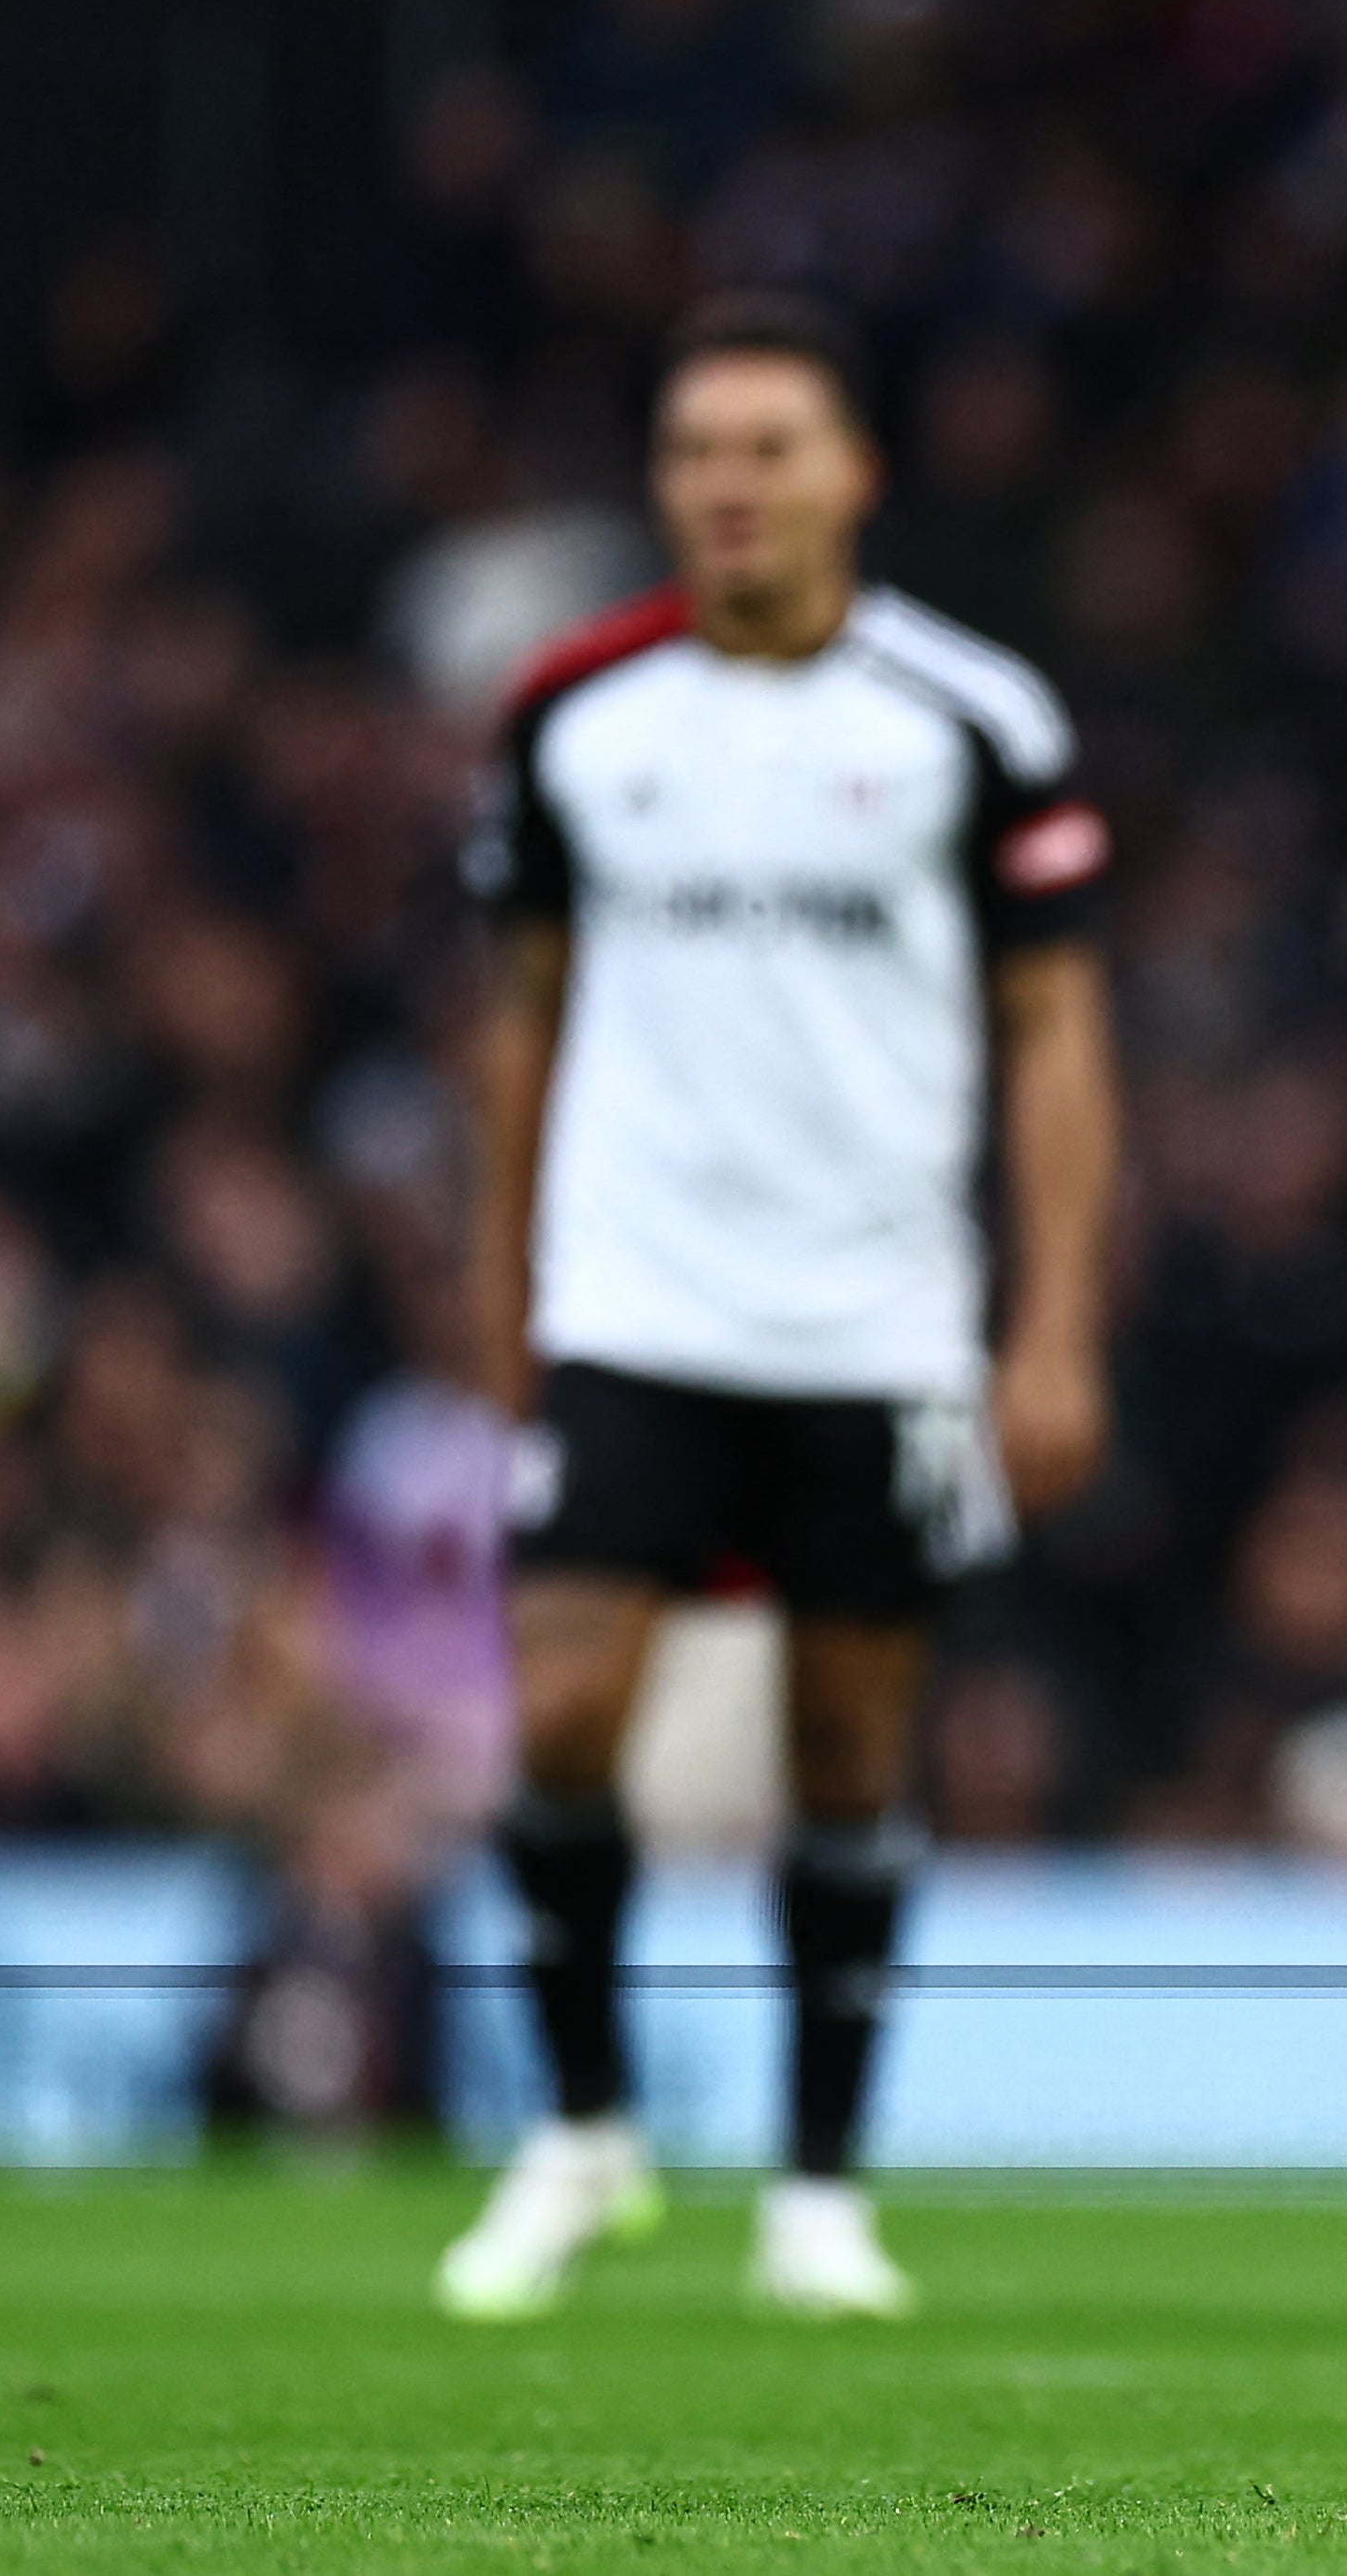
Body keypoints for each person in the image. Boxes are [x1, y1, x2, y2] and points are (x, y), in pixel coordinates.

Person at [442, 292, 1119, 2321]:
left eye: (767, 448)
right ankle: (581, 2135)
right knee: (563, 1711)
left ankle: (819, 2187)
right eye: (696, 453)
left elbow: (1058, 1036)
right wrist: (500, 1277)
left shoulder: (970, 720)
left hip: (878, 1320)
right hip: (637, 1298)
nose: (728, 487)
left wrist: (1055, 1321)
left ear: (852, 476)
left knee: (848, 1744)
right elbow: (520, 1018)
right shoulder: (575, 714)